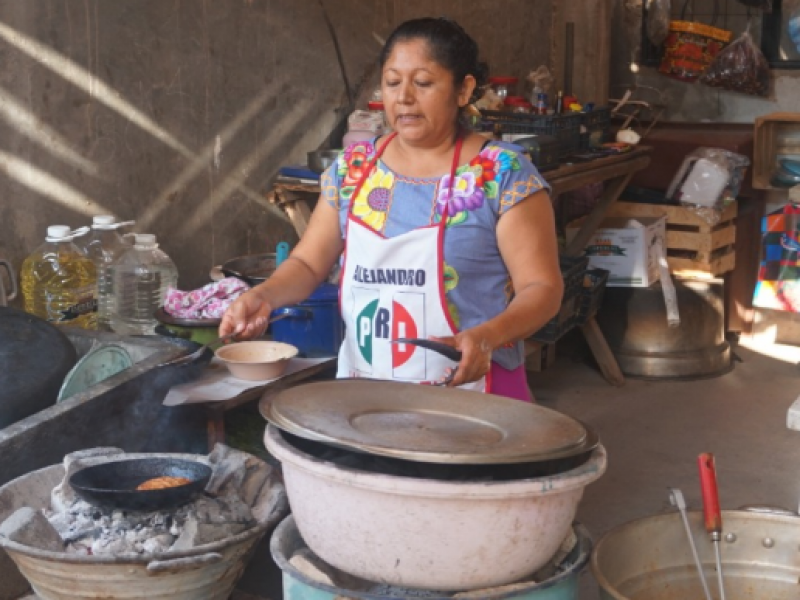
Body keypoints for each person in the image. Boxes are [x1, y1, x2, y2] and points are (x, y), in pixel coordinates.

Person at [220, 17, 563, 402]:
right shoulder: (354, 169)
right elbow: (308, 264)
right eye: (392, 82)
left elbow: (543, 289)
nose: (404, 98)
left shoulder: (501, 175)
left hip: (476, 395)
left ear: (463, 89)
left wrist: (488, 337)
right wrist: (263, 296)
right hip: (367, 395)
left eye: (423, 82)